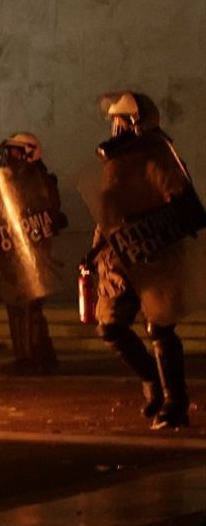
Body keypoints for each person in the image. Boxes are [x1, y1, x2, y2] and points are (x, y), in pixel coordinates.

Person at [86, 92, 200, 429]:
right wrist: (94, 252)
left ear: (135, 122)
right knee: (110, 326)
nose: (115, 127)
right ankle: (152, 380)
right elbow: (106, 214)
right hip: (120, 257)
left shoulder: (159, 154)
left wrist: (148, 226)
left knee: (159, 327)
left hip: (155, 255)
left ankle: (175, 403)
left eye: (119, 121)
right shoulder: (114, 161)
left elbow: (180, 201)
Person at [0, 133, 62, 376]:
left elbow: (43, 212)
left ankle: (29, 357)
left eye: (15, 151)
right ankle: (44, 355)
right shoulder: (17, 177)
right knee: (26, 304)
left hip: (32, 249)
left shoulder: (36, 178)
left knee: (27, 304)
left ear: (29, 152)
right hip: (16, 246)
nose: (9, 156)